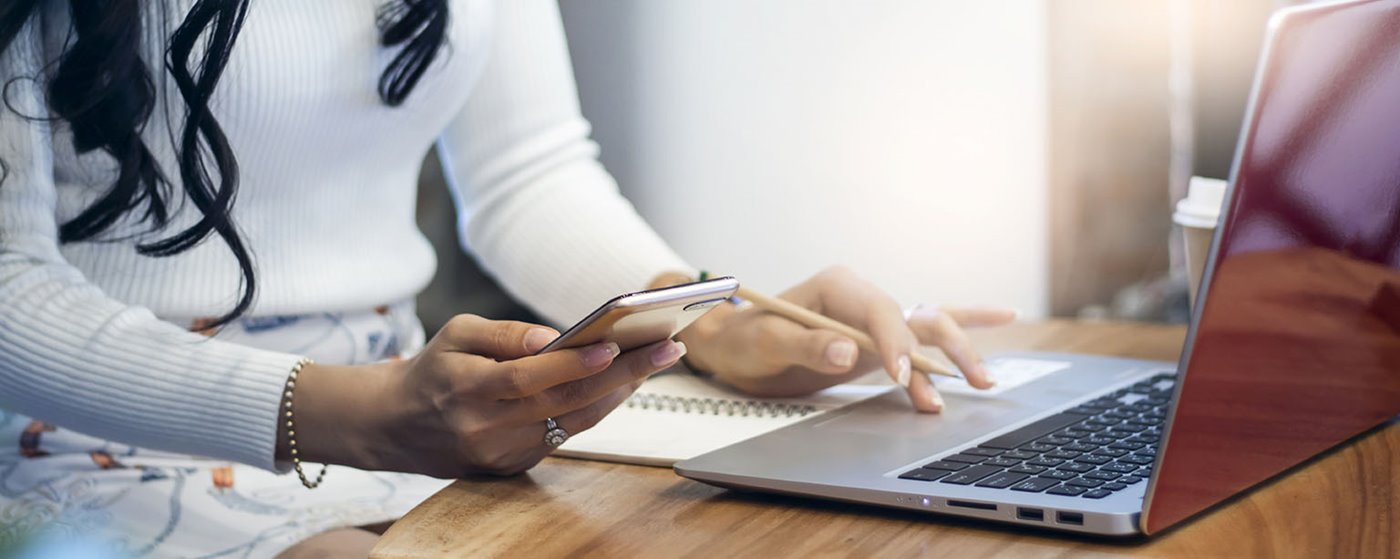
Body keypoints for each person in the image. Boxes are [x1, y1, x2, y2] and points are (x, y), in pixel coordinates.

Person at [0, 1, 1014, 556]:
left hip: (394, 406)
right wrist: (348, 415)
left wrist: (715, 321)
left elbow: (527, 175)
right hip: (100, 438)